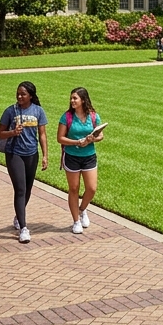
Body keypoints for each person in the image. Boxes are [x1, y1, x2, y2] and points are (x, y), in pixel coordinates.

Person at [0, 81, 48, 243]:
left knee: (27, 190)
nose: (19, 96)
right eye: (18, 93)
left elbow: (42, 134)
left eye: (23, 94)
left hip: (32, 154)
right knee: (20, 189)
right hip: (14, 154)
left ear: (31, 96)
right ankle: (24, 228)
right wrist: (13, 132)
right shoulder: (10, 111)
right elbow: (0, 132)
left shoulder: (38, 111)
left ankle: (18, 216)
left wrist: (45, 155)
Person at [57, 88, 105, 234]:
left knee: (91, 188)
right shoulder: (66, 117)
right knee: (74, 189)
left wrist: (92, 138)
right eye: (71, 98)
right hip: (72, 156)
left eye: (75, 98)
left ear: (83, 100)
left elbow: (101, 135)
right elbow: (60, 138)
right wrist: (77, 142)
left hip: (89, 155)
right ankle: (76, 220)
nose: (72, 101)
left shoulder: (94, 116)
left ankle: (82, 209)